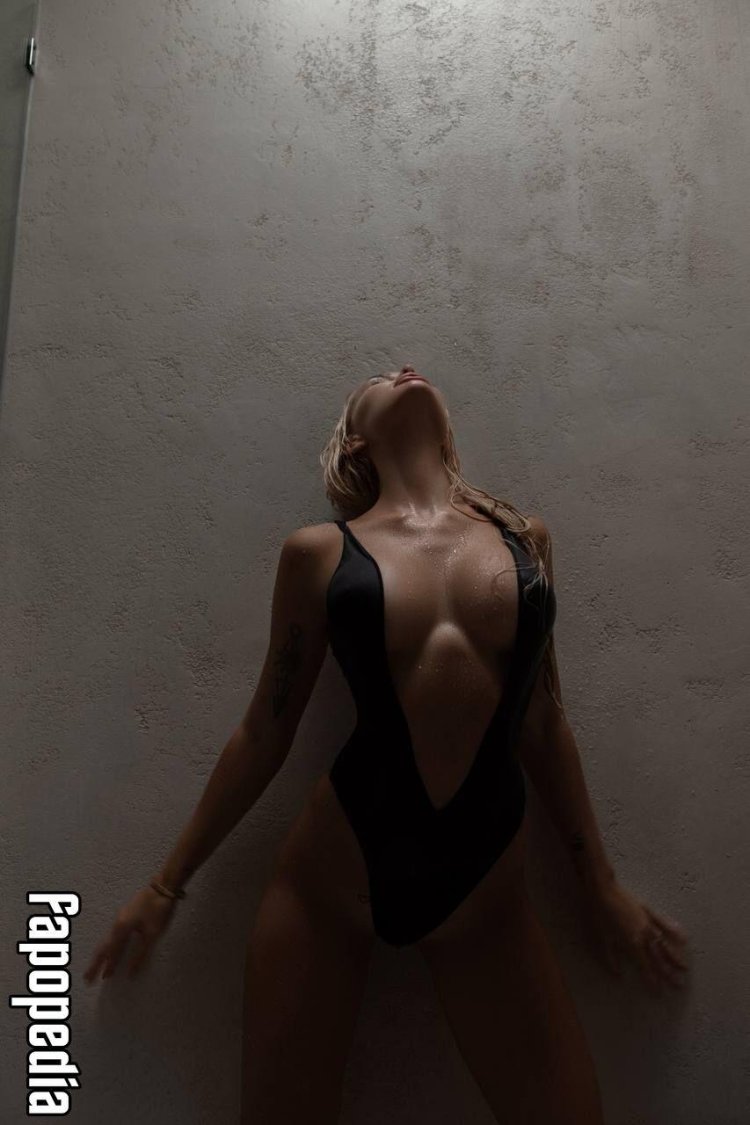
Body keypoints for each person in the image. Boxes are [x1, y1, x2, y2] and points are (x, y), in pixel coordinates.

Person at [84, 364, 690, 1123]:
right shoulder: (319, 554)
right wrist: (165, 886)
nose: (401, 370)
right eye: (378, 378)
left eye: (407, 370)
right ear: (356, 439)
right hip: (331, 882)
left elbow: (543, 721)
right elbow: (265, 730)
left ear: (446, 427)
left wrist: (597, 885)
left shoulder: (525, 541)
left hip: (483, 896)